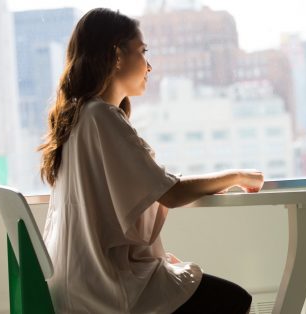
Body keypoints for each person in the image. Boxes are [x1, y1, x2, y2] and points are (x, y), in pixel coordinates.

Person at [38, 8, 263, 314]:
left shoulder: (80, 116)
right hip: (104, 288)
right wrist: (236, 176)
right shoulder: (101, 116)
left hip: (74, 283)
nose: (150, 65)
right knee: (235, 301)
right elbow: (170, 192)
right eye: (142, 52)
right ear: (117, 55)